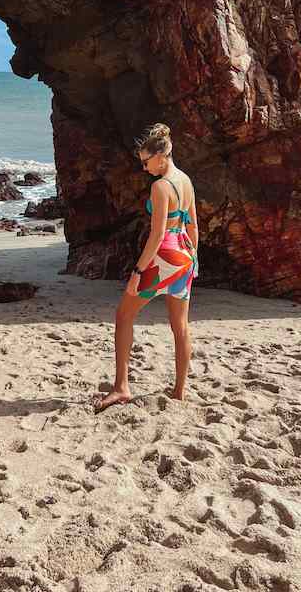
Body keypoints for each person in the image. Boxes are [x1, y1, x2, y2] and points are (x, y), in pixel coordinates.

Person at [94, 123, 199, 413]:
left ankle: (121, 387)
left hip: (163, 256)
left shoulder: (161, 186)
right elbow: (192, 225)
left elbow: (156, 235)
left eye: (146, 161)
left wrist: (138, 272)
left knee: (124, 315)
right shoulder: (186, 181)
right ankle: (179, 390)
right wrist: (194, 256)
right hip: (184, 256)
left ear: (162, 155)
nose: (144, 168)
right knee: (180, 326)